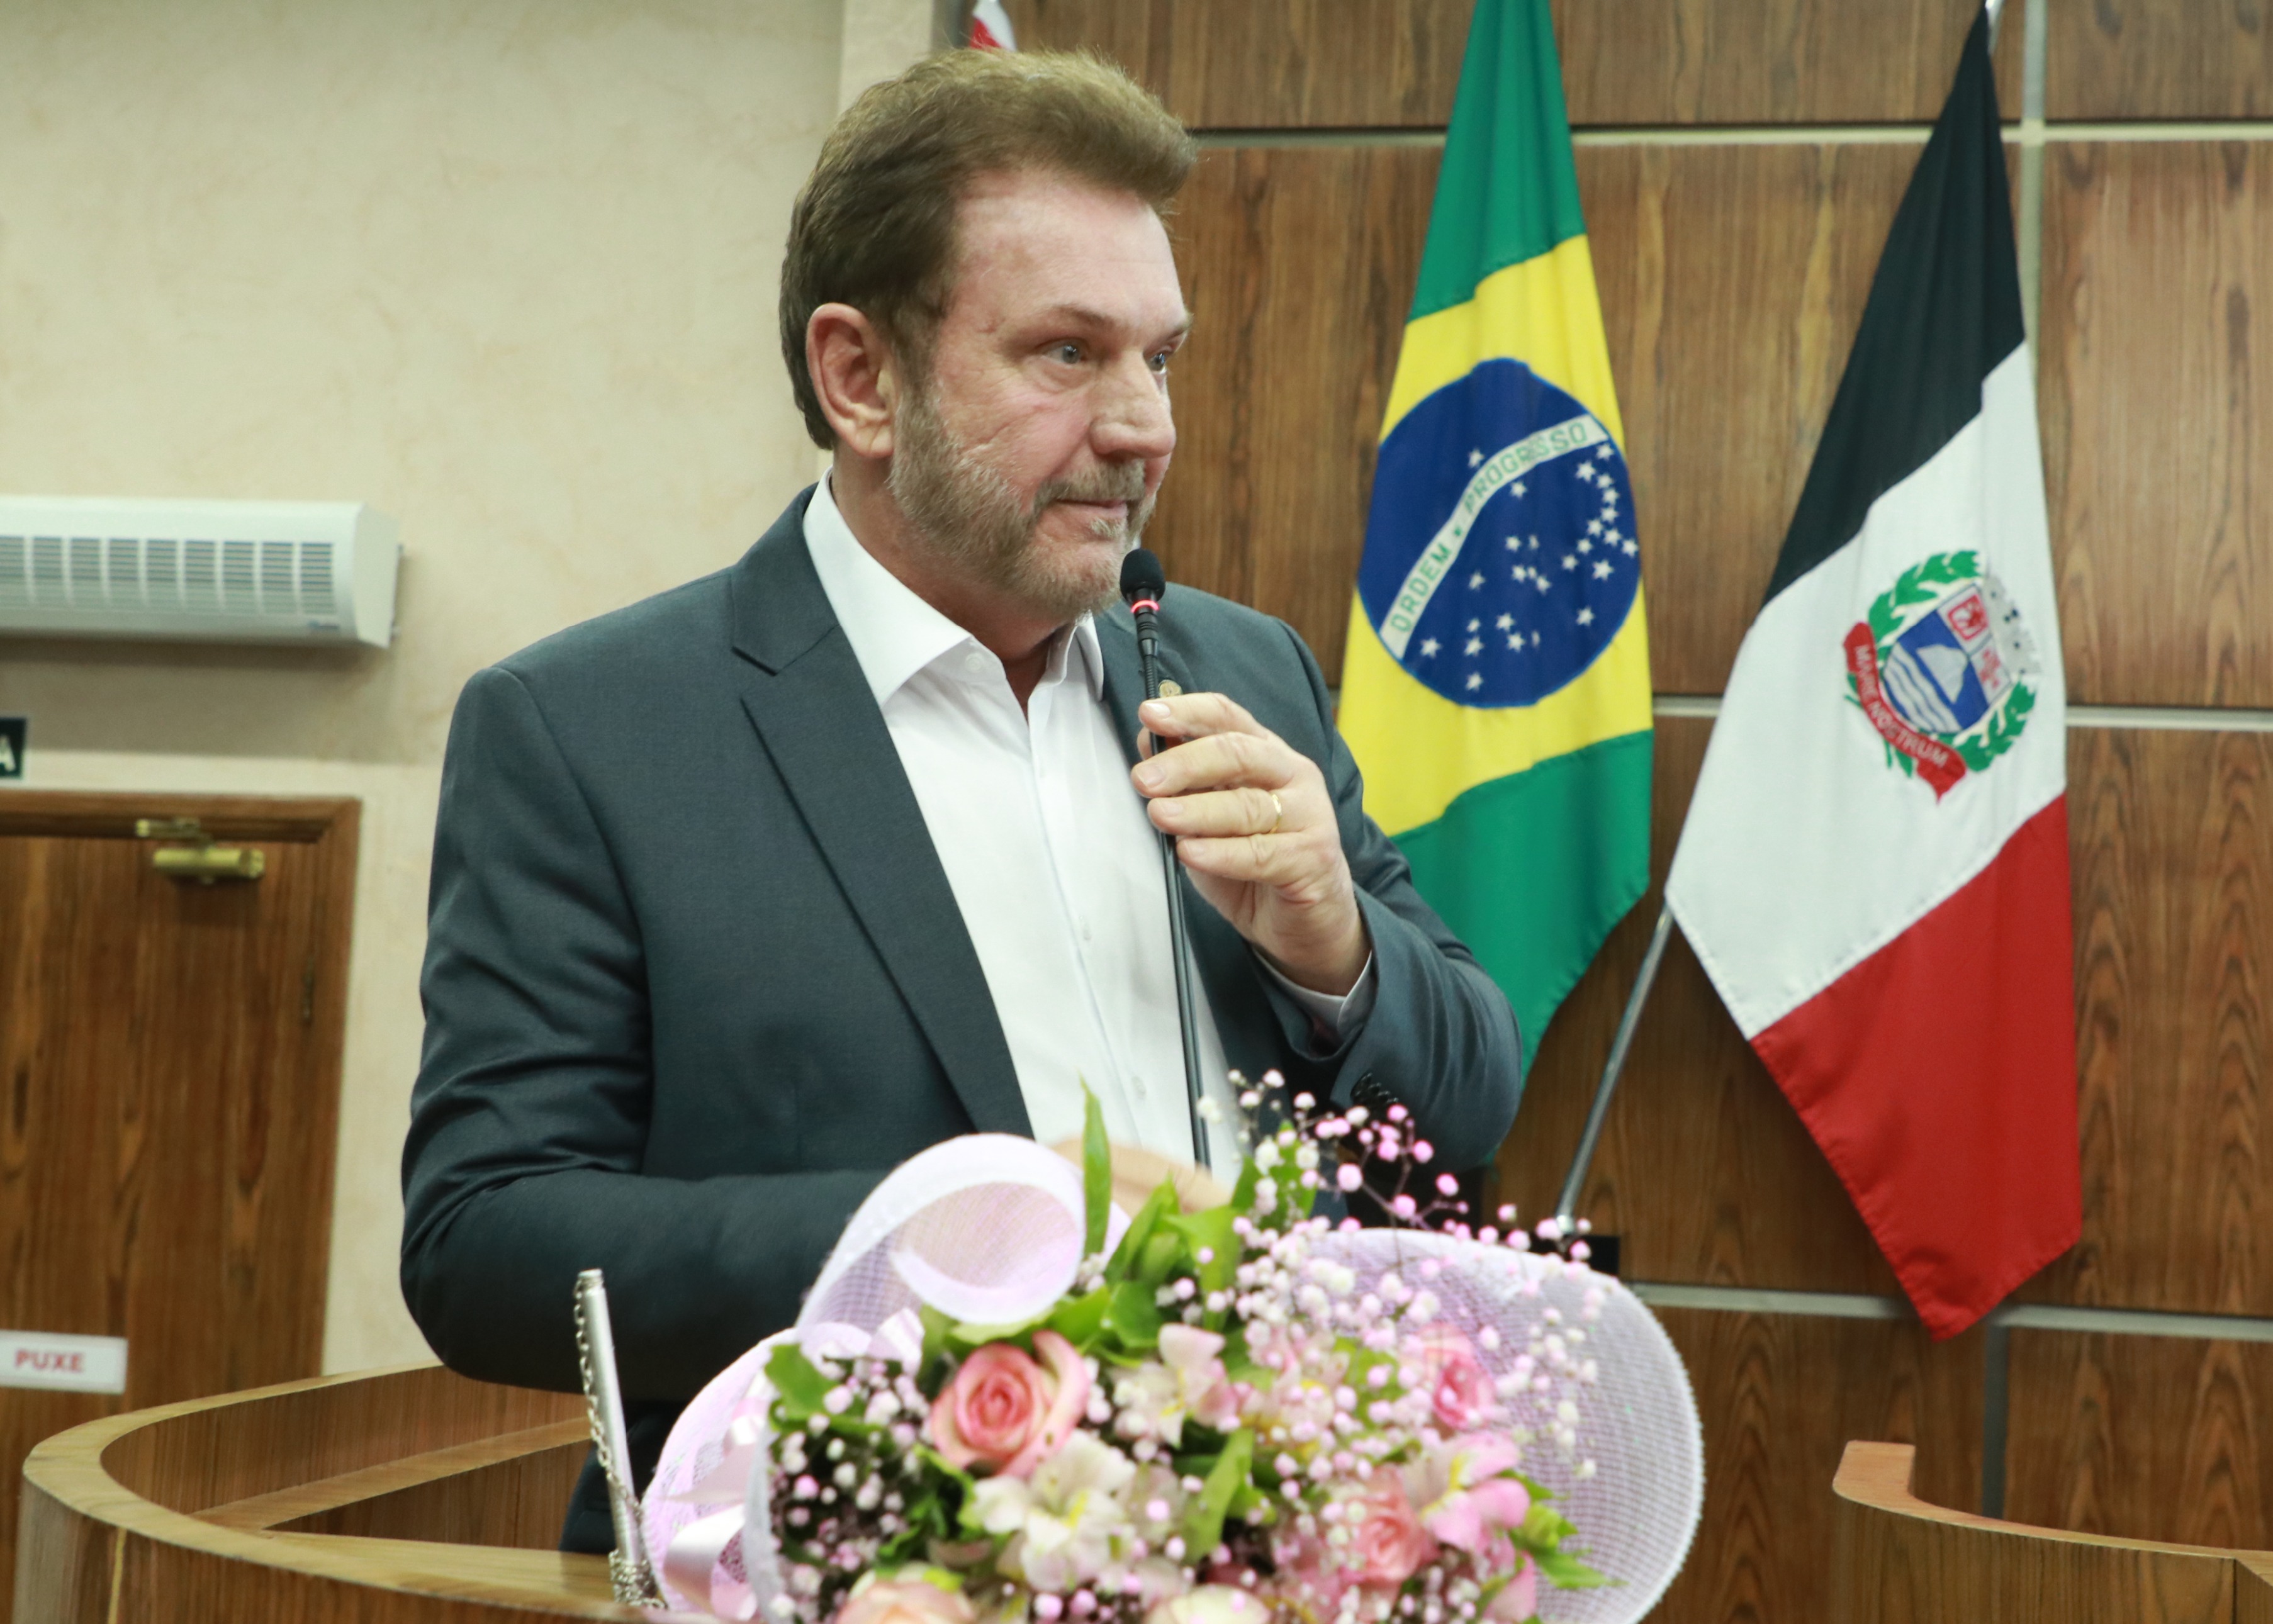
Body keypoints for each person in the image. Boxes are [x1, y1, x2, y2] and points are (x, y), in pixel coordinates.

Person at [399, 48, 1523, 1555]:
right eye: (1067, 353)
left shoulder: (1243, 668)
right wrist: (958, 1233)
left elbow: (1465, 1108)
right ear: (860, 379)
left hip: (1255, 1557)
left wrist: (1339, 952)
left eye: (1160, 358)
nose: (1144, 426)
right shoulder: (590, 731)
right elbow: (481, 1246)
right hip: (831, 1569)